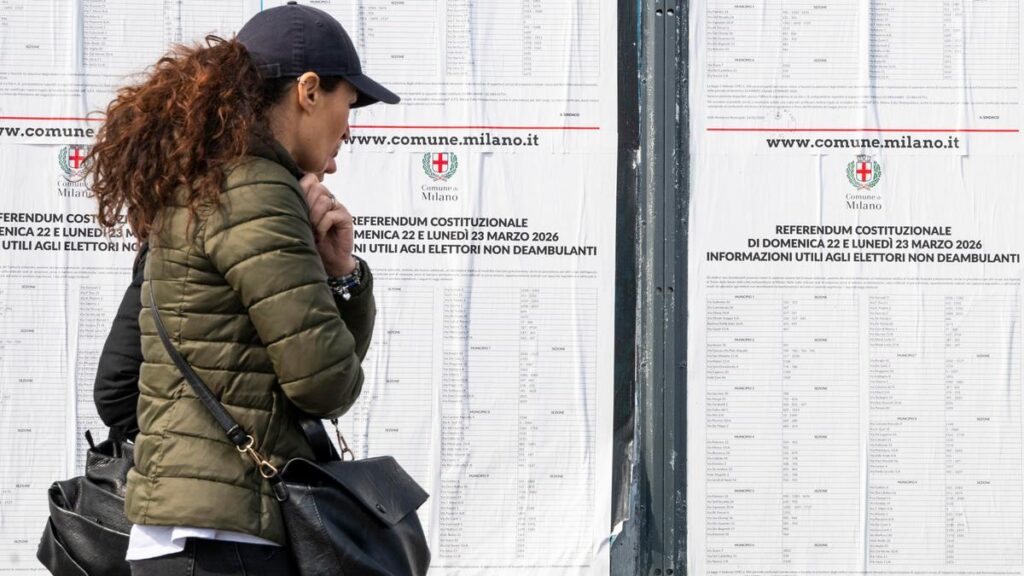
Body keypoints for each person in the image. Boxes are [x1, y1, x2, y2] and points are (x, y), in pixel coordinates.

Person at [87, 3, 398, 574]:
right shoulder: (261, 190)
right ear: (308, 90)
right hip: (230, 542)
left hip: (165, 540)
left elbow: (116, 390)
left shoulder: (189, 188)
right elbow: (326, 384)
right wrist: (343, 276)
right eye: (347, 105)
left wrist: (186, 461)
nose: (349, 131)